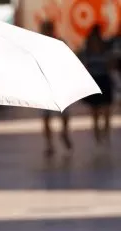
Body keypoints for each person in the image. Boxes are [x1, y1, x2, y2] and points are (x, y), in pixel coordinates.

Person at [39, 21, 73, 157]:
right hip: (45, 86)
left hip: (59, 84)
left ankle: (63, 133)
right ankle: (49, 144)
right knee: (46, 117)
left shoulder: (60, 43)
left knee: (64, 114)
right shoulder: (38, 45)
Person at [80, 24, 114, 147]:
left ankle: (105, 134)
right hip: (94, 80)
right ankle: (97, 135)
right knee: (95, 111)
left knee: (106, 110)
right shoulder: (87, 50)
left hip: (104, 80)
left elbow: (110, 65)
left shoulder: (105, 48)